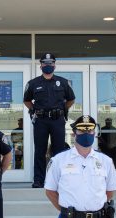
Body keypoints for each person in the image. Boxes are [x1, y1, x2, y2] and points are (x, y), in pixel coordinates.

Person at [24, 53, 76, 188]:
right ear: (40, 65)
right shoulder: (33, 83)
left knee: (58, 151)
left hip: (57, 120)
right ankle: (39, 180)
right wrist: (33, 110)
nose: (48, 65)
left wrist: (62, 110)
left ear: (54, 65)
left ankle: (59, 180)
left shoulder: (63, 82)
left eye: (50, 63)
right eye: (45, 63)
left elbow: (71, 99)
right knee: (40, 150)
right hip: (40, 120)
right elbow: (27, 100)